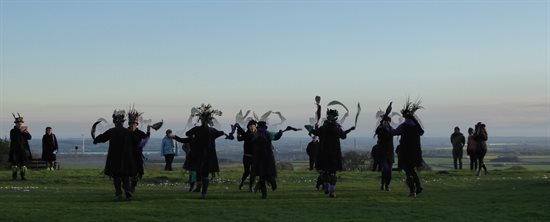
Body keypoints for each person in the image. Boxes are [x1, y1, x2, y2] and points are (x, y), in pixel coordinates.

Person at [309, 109, 355, 198]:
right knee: (331, 173)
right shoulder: (336, 128)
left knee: (326, 172)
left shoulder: (324, 128)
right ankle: (331, 191)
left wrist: (314, 128)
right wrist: (350, 129)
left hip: (324, 154)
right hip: (333, 154)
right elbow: (343, 136)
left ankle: (328, 189)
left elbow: (315, 132)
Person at [185, 104, 228, 199]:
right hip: (209, 156)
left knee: (199, 173)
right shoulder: (212, 130)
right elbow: (220, 133)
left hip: (198, 155)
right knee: (205, 175)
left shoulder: (196, 129)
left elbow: (187, 133)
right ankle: (203, 193)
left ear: (200, 119)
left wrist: (194, 136)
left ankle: (199, 189)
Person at [93, 109, 137, 201]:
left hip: (114, 157)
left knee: (116, 176)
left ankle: (118, 194)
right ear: (123, 122)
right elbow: (136, 143)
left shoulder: (111, 131)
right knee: (125, 175)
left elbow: (102, 138)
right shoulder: (128, 132)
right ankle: (127, 190)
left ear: (114, 122)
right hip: (126, 158)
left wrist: (95, 139)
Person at [391, 100, 424, 198]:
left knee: (408, 172)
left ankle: (412, 191)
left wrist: (387, 126)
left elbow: (394, 132)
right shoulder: (416, 126)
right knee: (412, 170)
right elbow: (422, 132)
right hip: (415, 153)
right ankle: (418, 187)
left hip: (405, 152)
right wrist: (414, 119)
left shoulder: (404, 126)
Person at [250, 121, 287, 199]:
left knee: (262, 177)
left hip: (259, 159)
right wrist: (280, 133)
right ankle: (273, 184)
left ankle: (264, 195)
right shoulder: (268, 133)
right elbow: (276, 137)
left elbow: (253, 142)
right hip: (268, 157)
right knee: (269, 174)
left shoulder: (256, 135)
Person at [127, 108, 151, 194]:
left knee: (135, 173)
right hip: (126, 155)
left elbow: (146, 139)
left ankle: (132, 188)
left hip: (137, 156)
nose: (133, 125)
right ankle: (127, 188)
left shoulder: (140, 133)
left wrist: (148, 131)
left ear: (137, 125)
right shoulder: (125, 132)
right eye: (131, 124)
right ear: (129, 124)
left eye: (134, 124)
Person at [236, 120, 257, 192]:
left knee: (253, 172)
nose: (251, 128)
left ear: (255, 127)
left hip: (255, 157)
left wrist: (239, 129)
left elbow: (247, 137)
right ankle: (241, 183)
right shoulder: (247, 134)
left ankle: (251, 187)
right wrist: (238, 133)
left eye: (253, 126)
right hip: (246, 156)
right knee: (247, 172)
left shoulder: (257, 134)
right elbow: (239, 139)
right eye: (250, 126)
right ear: (248, 127)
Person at [9, 113, 32, 180]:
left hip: (23, 150)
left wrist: (26, 132)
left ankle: (23, 176)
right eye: (18, 123)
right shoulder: (12, 131)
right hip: (15, 150)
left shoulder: (24, 131)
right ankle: (14, 176)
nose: (19, 124)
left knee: (23, 165)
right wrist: (20, 131)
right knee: (14, 165)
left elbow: (29, 137)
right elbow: (13, 138)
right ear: (16, 124)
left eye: (21, 123)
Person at [375, 115, 394, 191]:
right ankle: (383, 184)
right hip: (383, 153)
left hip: (390, 153)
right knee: (385, 169)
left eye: (388, 121)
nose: (387, 123)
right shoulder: (380, 129)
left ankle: (387, 185)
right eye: (385, 121)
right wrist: (380, 124)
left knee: (389, 173)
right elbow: (377, 132)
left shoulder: (391, 129)